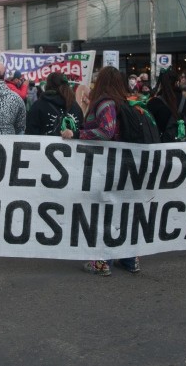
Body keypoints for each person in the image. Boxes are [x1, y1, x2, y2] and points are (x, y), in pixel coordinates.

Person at [60, 66, 139, 276]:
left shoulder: (105, 103)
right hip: (124, 165)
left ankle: (101, 261)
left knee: (101, 212)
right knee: (120, 211)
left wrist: (77, 134)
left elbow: (106, 131)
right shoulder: (124, 102)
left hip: (105, 167)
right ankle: (130, 258)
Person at [25, 72, 84, 136]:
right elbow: (82, 132)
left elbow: (30, 135)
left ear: (47, 85)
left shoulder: (38, 106)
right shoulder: (76, 107)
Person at [146, 69, 186, 142]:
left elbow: (149, 128)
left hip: (162, 147)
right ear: (177, 82)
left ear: (160, 84)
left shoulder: (153, 103)